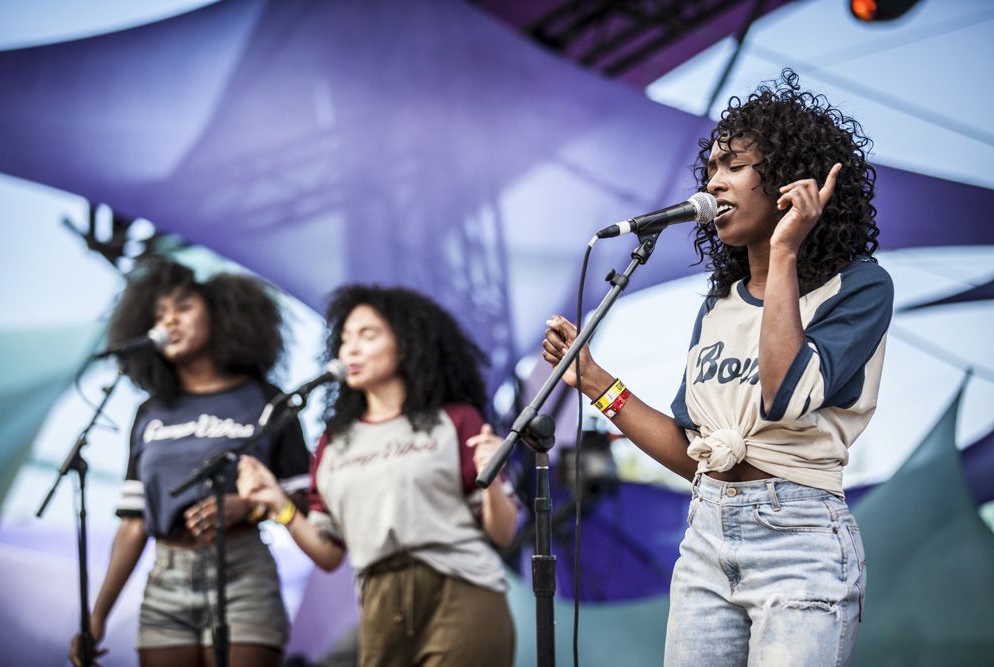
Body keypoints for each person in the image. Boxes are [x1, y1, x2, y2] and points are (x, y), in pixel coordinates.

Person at [542, 70, 892, 666]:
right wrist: (598, 384)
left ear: (786, 180)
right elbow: (695, 453)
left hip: (800, 539)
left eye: (733, 165)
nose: (714, 181)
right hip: (706, 534)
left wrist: (783, 250)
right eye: (710, 170)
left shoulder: (857, 287)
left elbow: (783, 396)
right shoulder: (720, 304)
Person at [236, 284, 518, 667]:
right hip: (377, 602)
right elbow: (329, 553)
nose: (349, 349)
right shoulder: (334, 444)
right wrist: (280, 506)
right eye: (345, 338)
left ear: (407, 343)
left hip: (460, 590)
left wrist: (493, 483)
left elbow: (502, 532)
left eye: (367, 335)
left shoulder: (455, 420)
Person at [70, 257, 311, 667]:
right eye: (159, 314)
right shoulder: (150, 412)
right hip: (165, 578)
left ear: (222, 315)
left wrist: (247, 505)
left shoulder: (269, 401)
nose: (168, 322)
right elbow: (134, 522)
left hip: (243, 574)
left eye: (182, 307)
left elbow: (304, 499)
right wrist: (97, 616)